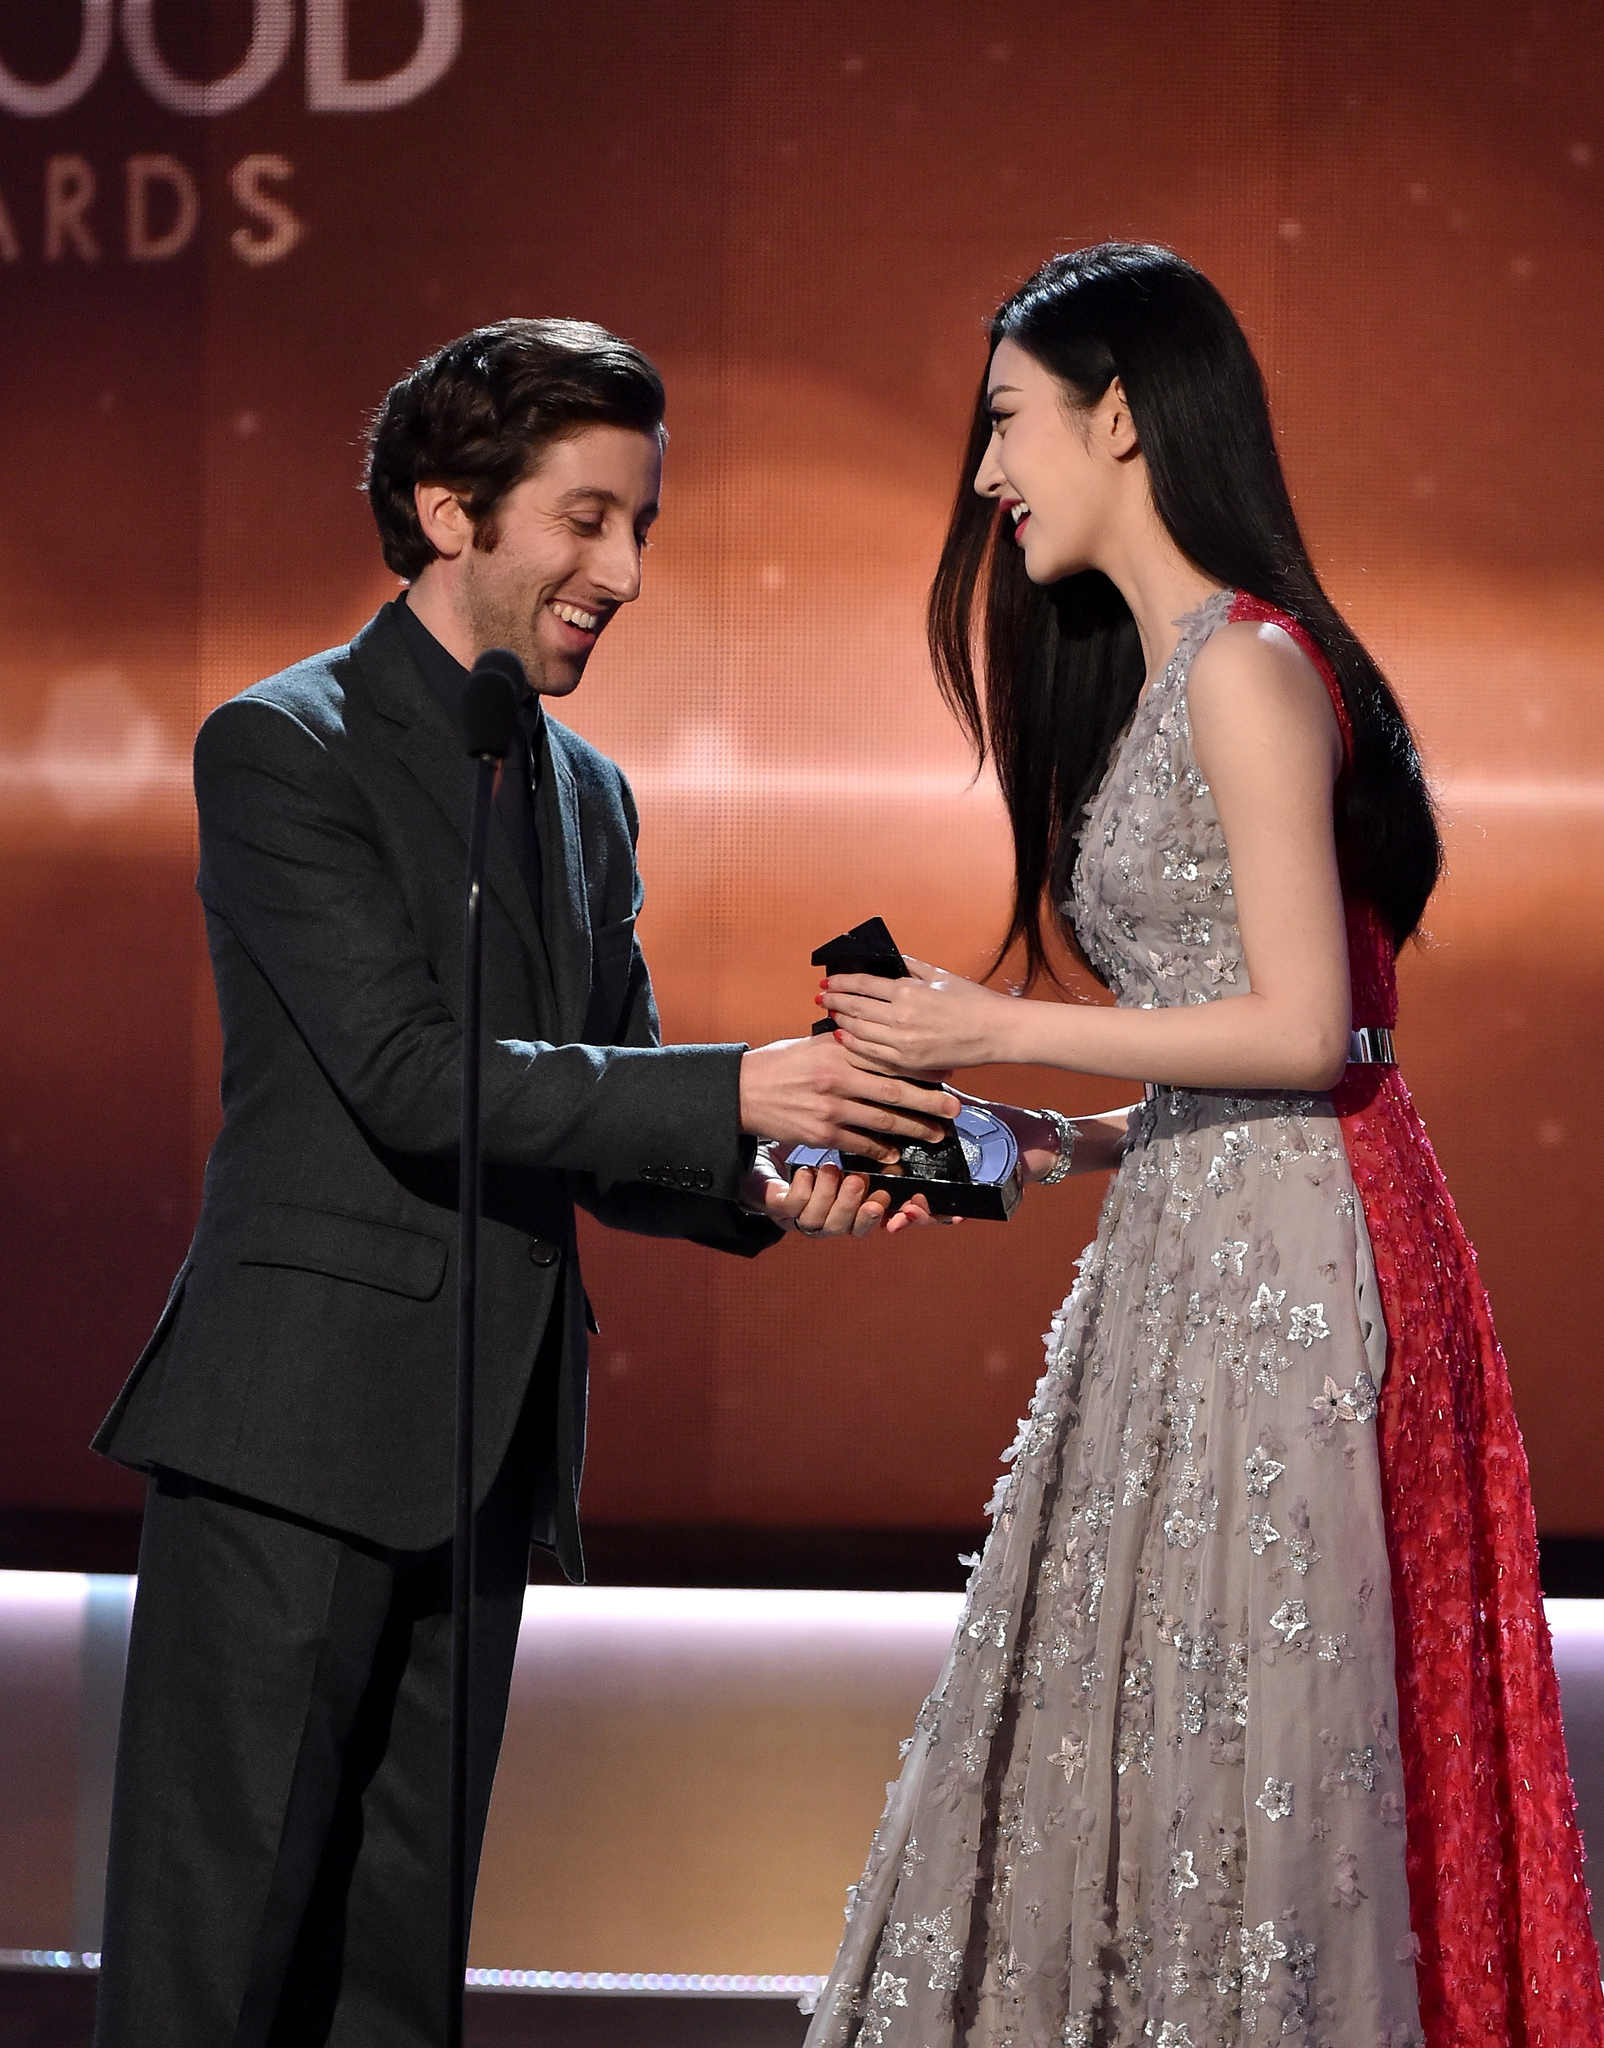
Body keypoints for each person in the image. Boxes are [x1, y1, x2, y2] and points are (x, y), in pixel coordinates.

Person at [89, 317, 958, 2048]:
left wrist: (773, 1164)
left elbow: (603, 1107)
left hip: (482, 1454)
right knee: (216, 1976)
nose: (622, 569)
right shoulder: (282, 749)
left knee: (396, 1988)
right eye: (584, 519)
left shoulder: (589, 796)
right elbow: (415, 1084)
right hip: (292, 1447)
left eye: (640, 525)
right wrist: (728, 1090)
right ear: (444, 510)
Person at [808, 247, 1604, 2048]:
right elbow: (1244, 1053)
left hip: (1294, 1267)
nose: (985, 473)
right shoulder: (1179, 671)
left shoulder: (1246, 666)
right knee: (1179, 1714)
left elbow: (1307, 1029)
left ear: (1119, 412)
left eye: (1005, 420)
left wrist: (984, 1022)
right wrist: (1065, 1141)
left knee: (1251, 1720)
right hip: (1211, 1233)